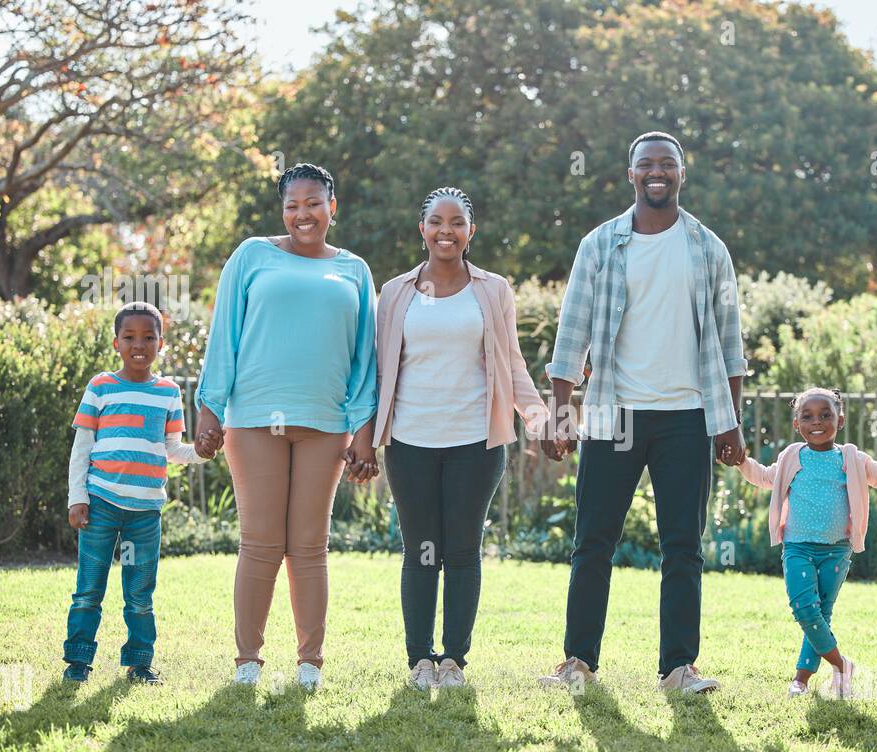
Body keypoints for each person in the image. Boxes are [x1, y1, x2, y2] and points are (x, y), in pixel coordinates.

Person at [539, 131, 748, 695]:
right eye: (646, 164)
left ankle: (678, 668)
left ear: (683, 173)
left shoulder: (708, 248)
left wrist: (731, 421)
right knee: (593, 542)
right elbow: (571, 334)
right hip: (615, 414)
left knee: (683, 546)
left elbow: (730, 342)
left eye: (668, 164)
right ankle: (578, 662)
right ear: (630, 174)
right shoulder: (600, 245)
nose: (657, 172)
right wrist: (561, 412)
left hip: (687, 415)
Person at [195, 162, 380, 692]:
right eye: (292, 205)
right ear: (283, 210)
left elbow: (365, 359)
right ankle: (248, 661)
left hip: (325, 425)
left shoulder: (354, 270)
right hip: (254, 420)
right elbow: (224, 332)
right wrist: (209, 406)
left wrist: (363, 431)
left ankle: (309, 663)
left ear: (331, 207)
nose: (303, 214)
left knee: (309, 545)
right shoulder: (253, 255)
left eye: (313, 203)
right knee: (259, 542)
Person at [359, 186, 547, 691]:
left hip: (475, 443)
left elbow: (511, 364)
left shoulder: (494, 290)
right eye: (436, 221)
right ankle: (420, 659)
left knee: (463, 550)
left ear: (471, 231)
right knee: (420, 547)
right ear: (421, 229)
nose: (447, 230)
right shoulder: (395, 292)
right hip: (410, 440)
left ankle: (453, 661)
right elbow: (377, 371)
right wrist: (364, 436)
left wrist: (540, 419)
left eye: (457, 222)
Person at [64, 301, 219, 685]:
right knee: (89, 587)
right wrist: (77, 498)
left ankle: (139, 664)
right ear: (116, 343)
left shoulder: (167, 393)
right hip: (100, 503)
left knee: (140, 592)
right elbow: (82, 447)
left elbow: (172, 449)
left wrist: (201, 453)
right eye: (130, 337)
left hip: (145, 511)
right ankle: (78, 662)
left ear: (161, 343)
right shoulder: (101, 386)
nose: (139, 344)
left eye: (149, 337)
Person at [738, 387, 877, 697]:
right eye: (808, 416)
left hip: (837, 551)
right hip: (798, 547)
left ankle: (800, 680)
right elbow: (763, 477)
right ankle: (842, 665)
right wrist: (741, 462)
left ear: (840, 421)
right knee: (804, 608)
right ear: (796, 424)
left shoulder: (851, 458)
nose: (817, 421)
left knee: (821, 613)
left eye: (826, 415)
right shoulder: (791, 456)